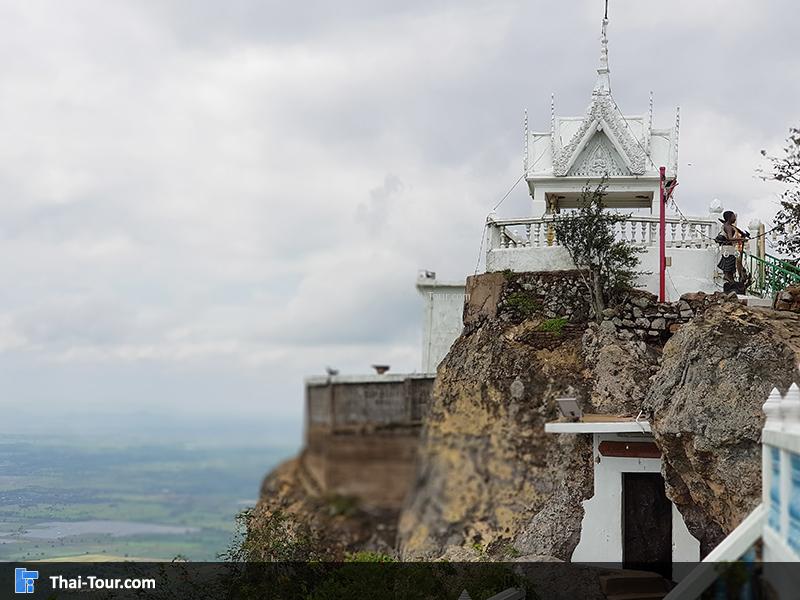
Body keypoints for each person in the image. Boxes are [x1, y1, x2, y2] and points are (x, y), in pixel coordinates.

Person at [717, 211, 751, 293]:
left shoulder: (730, 226)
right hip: (728, 249)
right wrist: (741, 239)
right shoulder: (728, 227)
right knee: (729, 264)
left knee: (732, 266)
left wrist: (742, 235)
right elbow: (729, 238)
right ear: (729, 217)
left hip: (730, 248)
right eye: (733, 216)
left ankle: (733, 280)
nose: (735, 218)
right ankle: (729, 279)